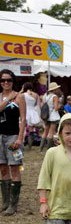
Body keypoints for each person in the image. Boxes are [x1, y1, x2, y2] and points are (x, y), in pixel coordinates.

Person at [0, 69, 27, 216]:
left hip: (13, 137)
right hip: (0, 137)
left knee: (14, 168)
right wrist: (7, 99)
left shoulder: (20, 97)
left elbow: (23, 119)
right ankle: (5, 201)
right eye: (3, 80)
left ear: (13, 81)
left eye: (9, 80)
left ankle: (13, 205)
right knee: (3, 168)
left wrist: (19, 138)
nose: (6, 83)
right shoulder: (2, 97)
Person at [39, 82, 61, 151]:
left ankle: (40, 148)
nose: (58, 89)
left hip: (46, 116)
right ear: (54, 89)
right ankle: (49, 148)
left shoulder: (45, 96)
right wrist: (60, 106)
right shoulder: (55, 97)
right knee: (51, 132)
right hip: (53, 116)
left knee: (45, 132)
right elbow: (56, 108)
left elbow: (42, 106)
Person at [21, 81, 41, 149]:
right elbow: (36, 104)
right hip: (33, 112)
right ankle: (30, 145)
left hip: (25, 111)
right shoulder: (36, 95)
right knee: (31, 129)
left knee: (22, 129)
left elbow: (19, 101)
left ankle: (22, 143)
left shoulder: (23, 94)